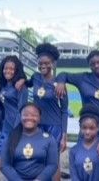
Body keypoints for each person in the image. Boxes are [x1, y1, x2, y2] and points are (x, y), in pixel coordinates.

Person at [15, 43, 68, 180]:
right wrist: (22, 81)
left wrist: (64, 135)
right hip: (37, 125)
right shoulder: (36, 77)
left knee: (53, 161)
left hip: (54, 126)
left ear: (53, 64)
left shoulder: (59, 85)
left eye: (46, 63)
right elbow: (29, 82)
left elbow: (64, 111)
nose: (43, 66)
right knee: (38, 158)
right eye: (40, 63)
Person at [55, 50, 99, 136]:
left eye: (98, 62)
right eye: (92, 64)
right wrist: (61, 82)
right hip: (87, 127)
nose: (96, 65)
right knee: (80, 149)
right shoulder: (83, 78)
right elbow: (63, 74)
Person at [1, 103, 58, 180]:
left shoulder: (49, 139)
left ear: (40, 118)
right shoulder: (10, 138)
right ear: (20, 117)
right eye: (26, 115)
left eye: (34, 115)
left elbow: (52, 165)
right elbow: (5, 165)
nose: (29, 118)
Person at [69, 104, 99, 181]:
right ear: (80, 127)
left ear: (98, 127)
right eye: (84, 128)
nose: (87, 132)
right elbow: (74, 175)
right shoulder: (74, 150)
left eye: (91, 128)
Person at [0, 55, 28, 139]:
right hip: (5, 124)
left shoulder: (21, 86)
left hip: (16, 125)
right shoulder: (4, 84)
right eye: (5, 68)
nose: (8, 71)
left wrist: (16, 130)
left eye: (11, 69)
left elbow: (22, 110)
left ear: (16, 70)